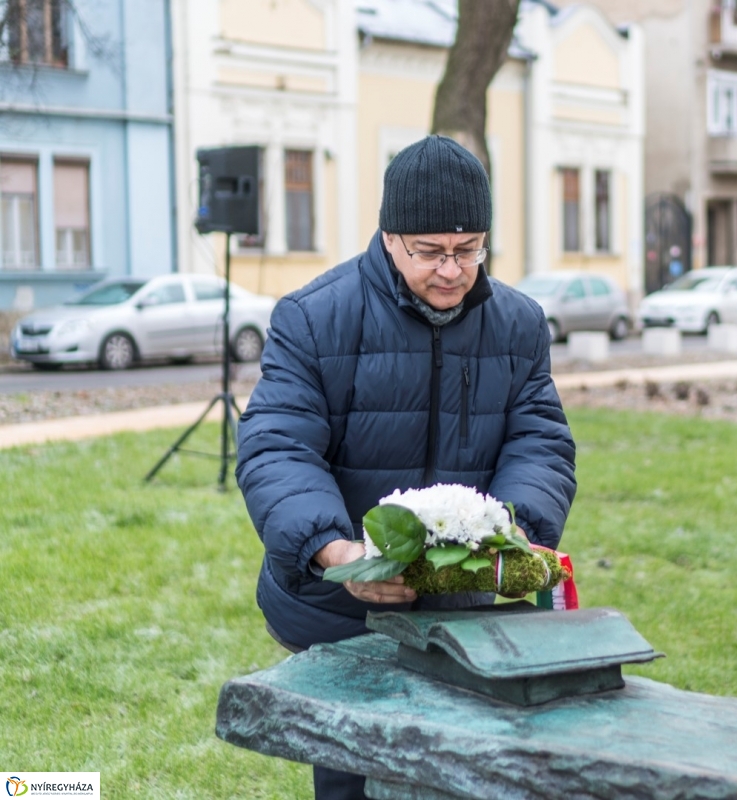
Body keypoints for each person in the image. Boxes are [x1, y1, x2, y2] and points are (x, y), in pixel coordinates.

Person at [235, 136, 578, 800]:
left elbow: (539, 443)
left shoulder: (519, 324)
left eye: (468, 249)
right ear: (390, 238)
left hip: (464, 604)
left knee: (462, 772)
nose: (452, 271)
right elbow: (278, 448)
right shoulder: (312, 318)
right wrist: (338, 555)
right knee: (354, 773)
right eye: (430, 252)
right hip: (338, 607)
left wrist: (516, 534)